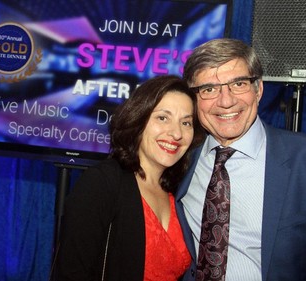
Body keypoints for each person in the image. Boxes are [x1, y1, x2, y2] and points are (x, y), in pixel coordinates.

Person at [176, 38, 306, 281]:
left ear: (258, 90)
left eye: (238, 84)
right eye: (209, 89)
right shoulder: (180, 157)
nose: (226, 101)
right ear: (195, 98)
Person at [56, 75, 205, 280]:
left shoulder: (181, 190)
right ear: (138, 119)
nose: (176, 133)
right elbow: (70, 273)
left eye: (186, 122)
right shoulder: (102, 183)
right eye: (163, 118)